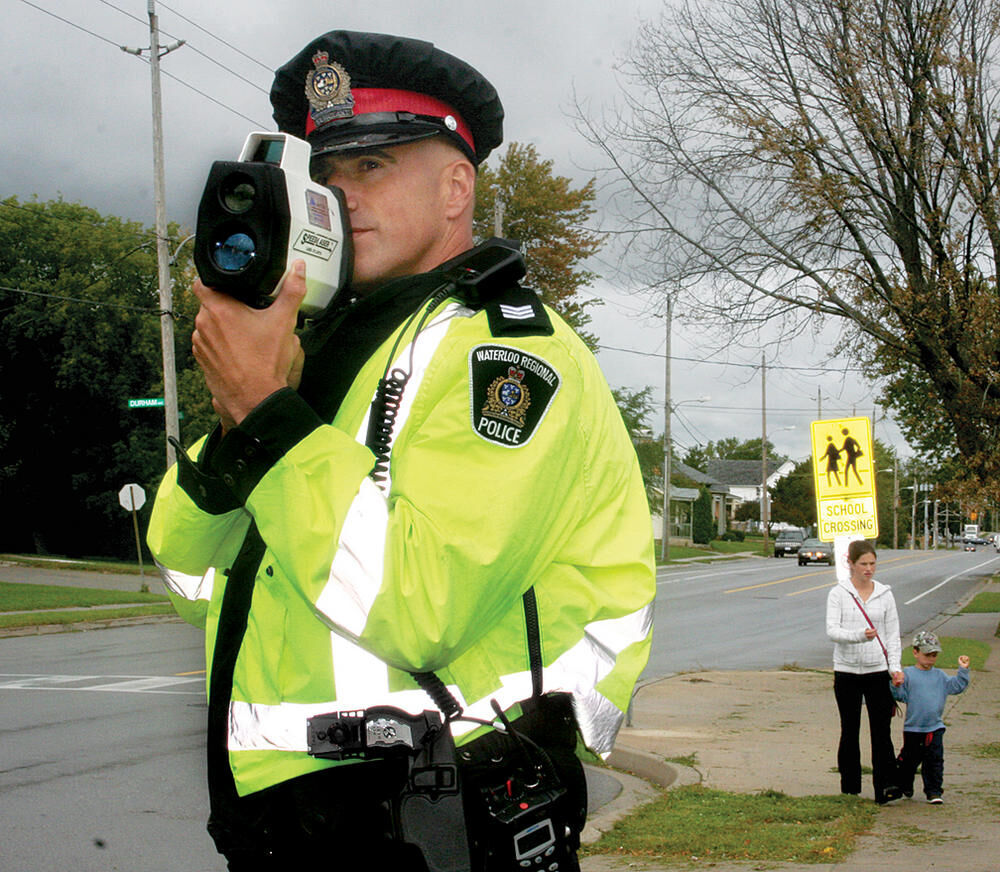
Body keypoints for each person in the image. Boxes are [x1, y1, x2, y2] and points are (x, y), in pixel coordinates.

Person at [147, 29, 655, 871]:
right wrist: (243, 414)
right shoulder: (330, 358)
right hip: (292, 827)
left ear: (457, 186)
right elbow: (192, 578)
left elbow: (421, 607)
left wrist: (269, 411)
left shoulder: (509, 356)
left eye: (373, 167)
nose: (342, 196)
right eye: (328, 173)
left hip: (441, 817)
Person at [825, 539, 904, 804]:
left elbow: (893, 635)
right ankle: (850, 787)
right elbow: (832, 631)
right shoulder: (839, 593)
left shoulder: (885, 594)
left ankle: (885, 786)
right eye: (863, 564)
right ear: (851, 564)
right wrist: (860, 636)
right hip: (847, 671)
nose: (868, 569)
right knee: (850, 729)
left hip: (877, 671)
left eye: (872, 563)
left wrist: (895, 668)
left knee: (881, 730)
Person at [891, 631, 971, 804]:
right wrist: (896, 684)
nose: (931, 659)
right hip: (913, 728)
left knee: (934, 760)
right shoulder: (909, 674)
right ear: (915, 652)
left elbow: (956, 686)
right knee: (909, 760)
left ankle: (934, 791)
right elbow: (901, 695)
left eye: (934, 655)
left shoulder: (939, 676)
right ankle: (905, 784)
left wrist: (963, 670)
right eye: (927, 654)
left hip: (934, 727)